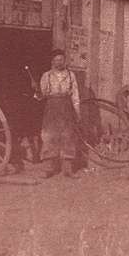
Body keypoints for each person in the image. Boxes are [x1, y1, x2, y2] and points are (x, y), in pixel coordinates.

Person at [38, 49, 80, 179]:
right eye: (56, 60)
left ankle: (67, 169)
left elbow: (75, 95)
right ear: (52, 61)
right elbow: (41, 95)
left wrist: (78, 112)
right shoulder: (47, 76)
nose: (58, 62)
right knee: (49, 136)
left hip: (66, 107)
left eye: (61, 59)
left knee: (67, 136)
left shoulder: (71, 75)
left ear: (64, 61)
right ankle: (48, 169)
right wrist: (37, 92)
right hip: (52, 107)